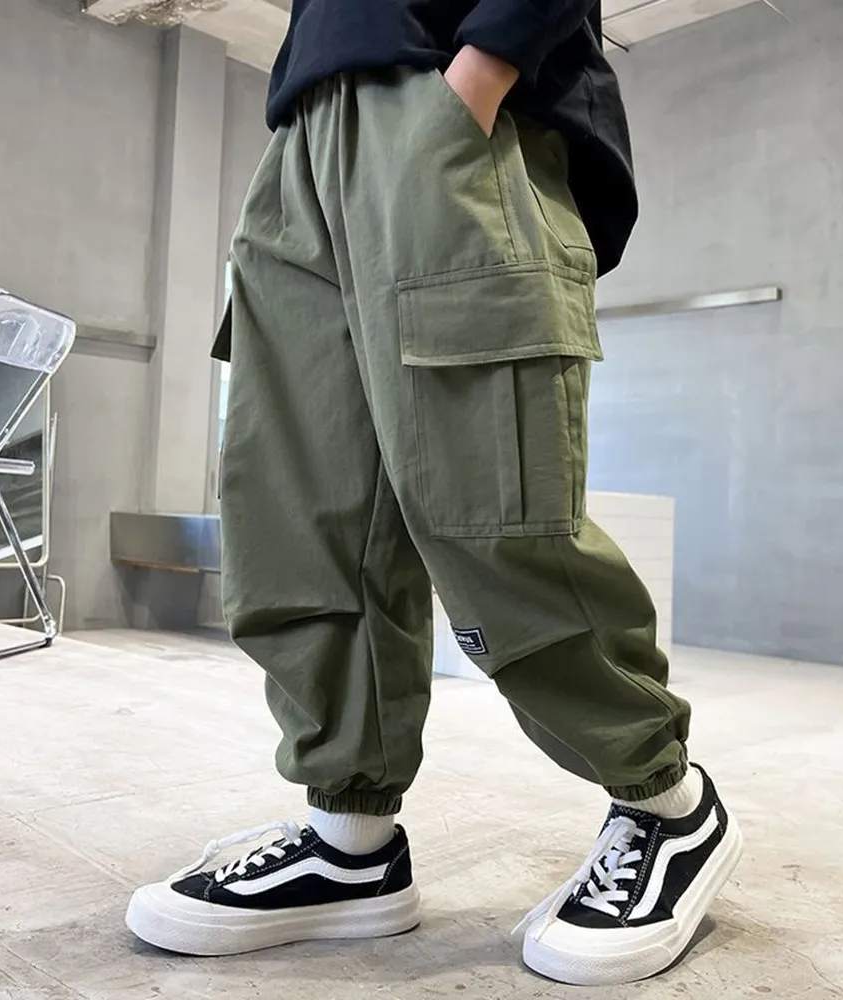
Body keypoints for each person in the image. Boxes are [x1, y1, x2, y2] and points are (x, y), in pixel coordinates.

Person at [126, 0, 743, 986]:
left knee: (491, 509)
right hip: (302, 140)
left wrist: (482, 71)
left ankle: (667, 804)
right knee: (303, 521)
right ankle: (349, 843)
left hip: (451, 97)